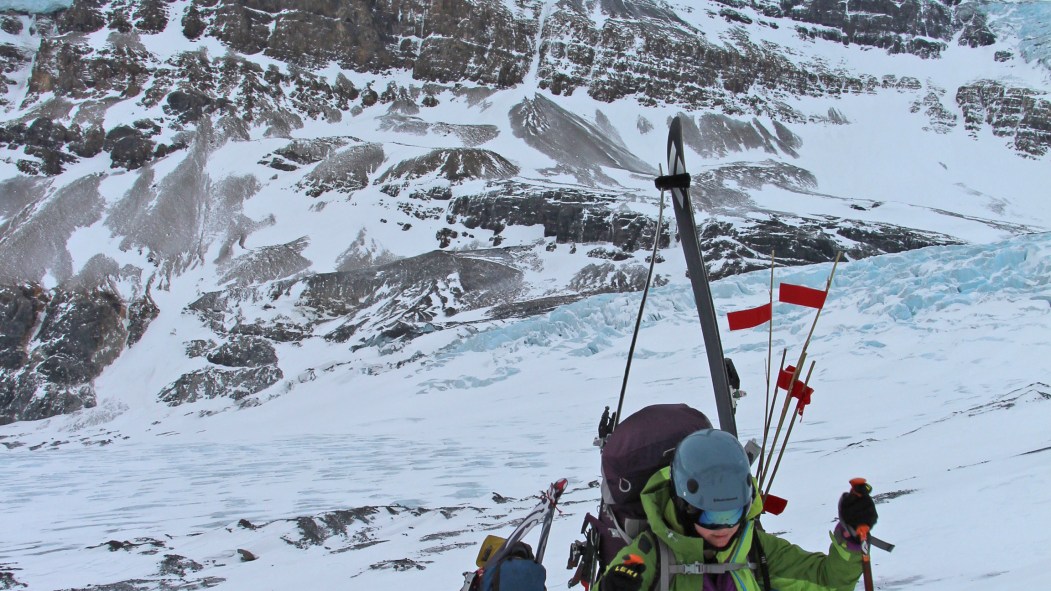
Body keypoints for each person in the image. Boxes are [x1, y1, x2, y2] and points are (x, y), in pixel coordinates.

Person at [596, 428, 878, 591]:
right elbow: (623, 574)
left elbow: (829, 582)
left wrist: (850, 537)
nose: (724, 528)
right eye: (711, 516)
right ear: (684, 508)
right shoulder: (649, 553)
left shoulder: (756, 550)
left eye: (732, 515)